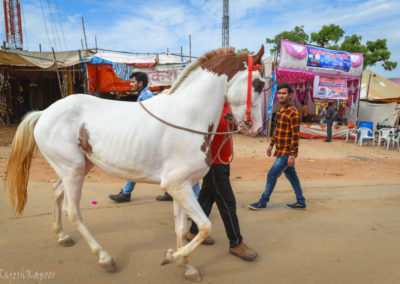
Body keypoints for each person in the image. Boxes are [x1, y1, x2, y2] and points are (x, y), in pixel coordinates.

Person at [109, 71, 200, 203]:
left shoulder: (147, 97)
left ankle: (195, 201)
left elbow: (154, 118)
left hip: (158, 139)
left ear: (140, 83)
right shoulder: (145, 95)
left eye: (133, 81)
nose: (131, 84)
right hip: (157, 138)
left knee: (182, 168)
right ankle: (129, 192)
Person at [186, 102, 258, 261]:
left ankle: (194, 231)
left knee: (206, 199)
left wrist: (236, 122)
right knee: (228, 203)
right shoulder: (208, 106)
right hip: (215, 165)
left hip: (222, 161)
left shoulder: (225, 104)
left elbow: (228, 125)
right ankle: (236, 243)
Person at [248, 83, 306, 210]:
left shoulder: (293, 113)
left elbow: (295, 136)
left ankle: (263, 202)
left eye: (284, 93)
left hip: (286, 152)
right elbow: (277, 130)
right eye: (279, 93)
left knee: (272, 175)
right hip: (279, 150)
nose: (281, 95)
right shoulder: (279, 110)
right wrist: (271, 145)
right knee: (292, 176)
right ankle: (301, 201)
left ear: (290, 95)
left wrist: (292, 155)